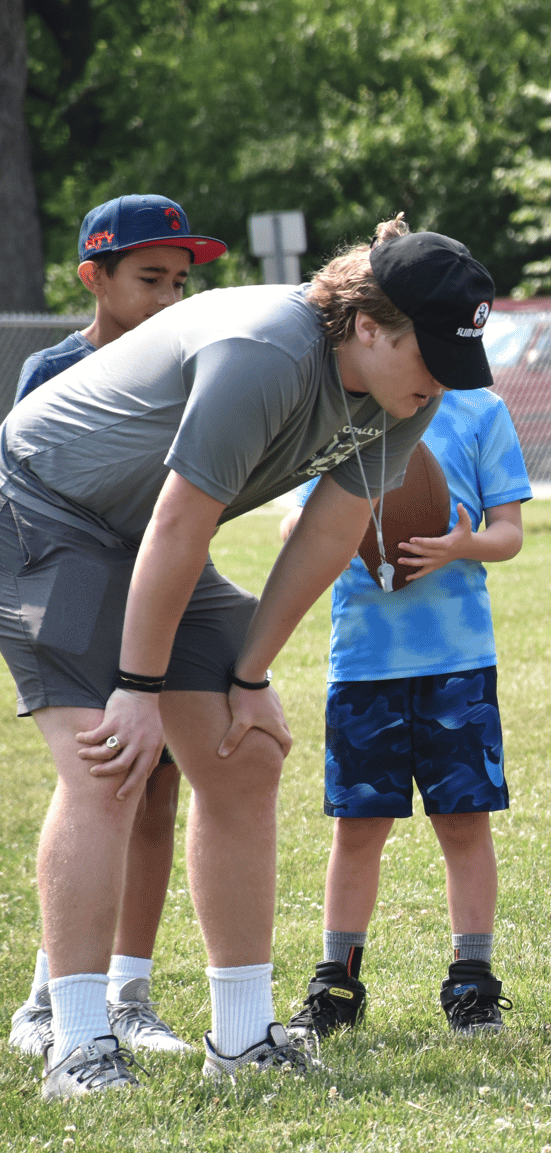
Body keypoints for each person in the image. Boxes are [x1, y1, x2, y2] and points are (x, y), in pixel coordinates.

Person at [0, 214, 497, 1099]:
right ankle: (75, 1039)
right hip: (45, 513)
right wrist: (140, 688)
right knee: (108, 761)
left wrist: (250, 675)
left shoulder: (399, 393)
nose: (441, 388)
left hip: (145, 534)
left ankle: (241, 1036)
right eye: (433, 361)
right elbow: (180, 520)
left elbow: (333, 527)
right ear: (371, 327)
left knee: (246, 748)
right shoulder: (267, 348)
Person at [7, 194, 227, 1060]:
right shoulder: (54, 373)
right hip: (68, 593)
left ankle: (128, 992)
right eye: (148, 279)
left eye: (179, 281)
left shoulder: (191, 375)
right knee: (100, 777)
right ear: (93, 276)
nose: (168, 298)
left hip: (152, 595)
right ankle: (49, 1000)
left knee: (160, 784)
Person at [280, 385, 530, 1042]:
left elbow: (508, 534)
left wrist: (458, 545)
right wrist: (347, 526)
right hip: (364, 665)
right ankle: (337, 981)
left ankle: (471, 982)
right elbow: (294, 525)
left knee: (463, 823)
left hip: (458, 662)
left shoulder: (479, 411)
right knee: (358, 830)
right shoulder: (341, 411)